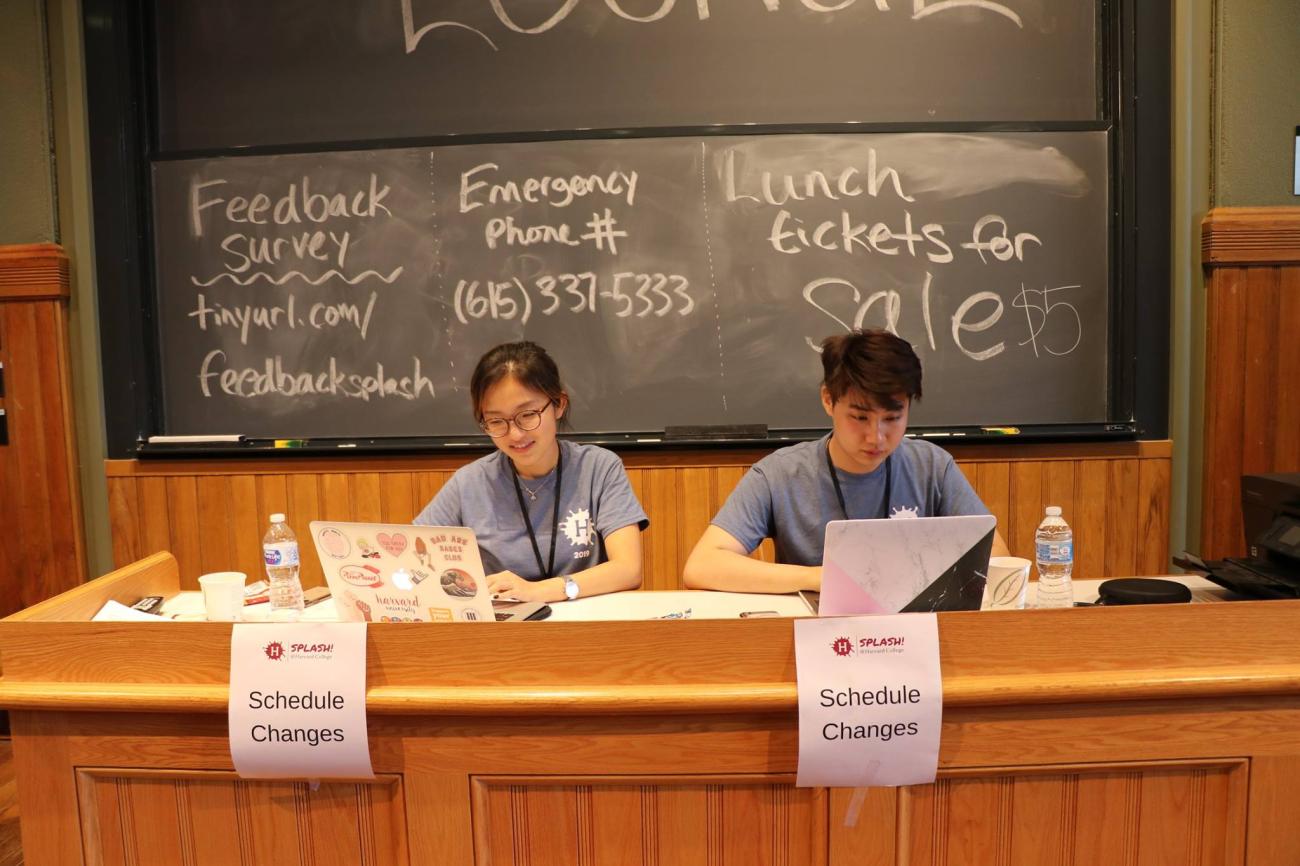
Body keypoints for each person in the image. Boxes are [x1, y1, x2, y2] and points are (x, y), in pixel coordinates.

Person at [683, 329, 1009, 594]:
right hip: (820, 640)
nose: (876, 436)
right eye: (859, 417)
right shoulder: (780, 474)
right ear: (829, 400)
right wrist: (818, 578)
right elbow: (703, 566)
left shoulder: (932, 467)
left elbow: (996, 558)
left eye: (893, 418)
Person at [415, 341, 648, 602]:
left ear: (558, 404)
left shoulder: (598, 468)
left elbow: (628, 569)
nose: (515, 434)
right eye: (496, 421)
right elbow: (413, 560)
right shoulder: (469, 483)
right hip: (503, 634)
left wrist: (539, 591)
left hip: (585, 629)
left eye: (527, 415)